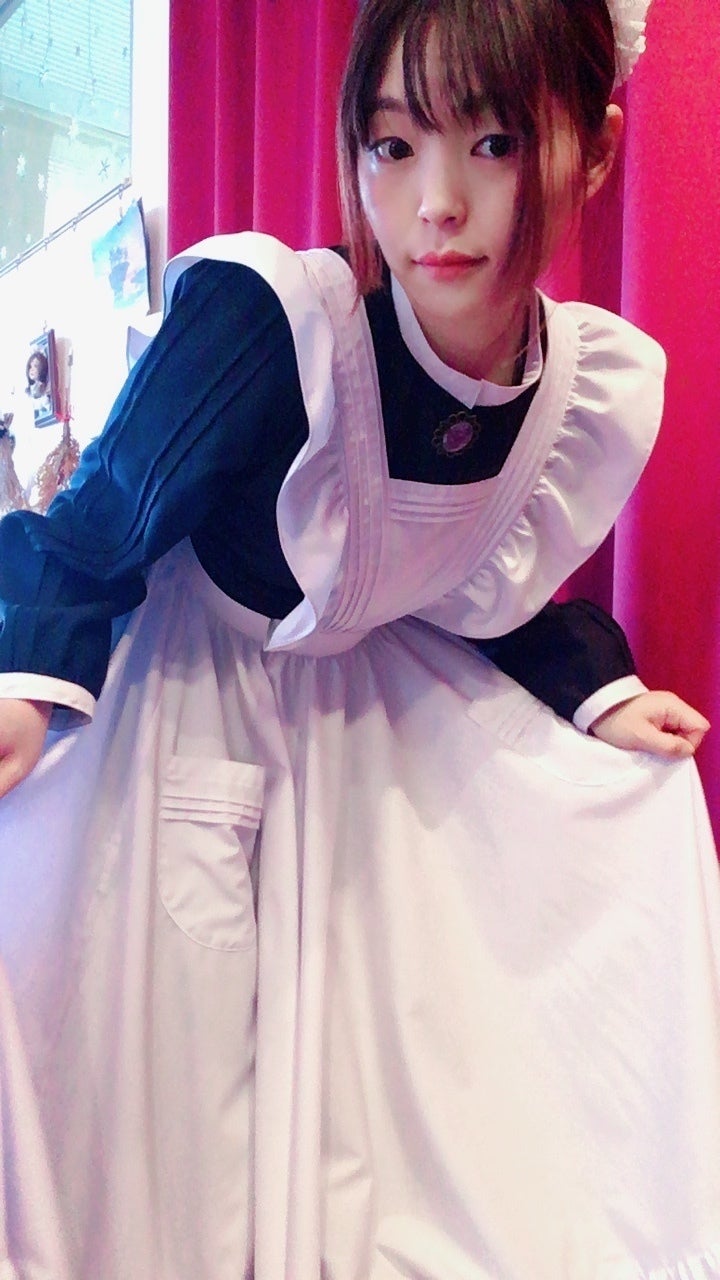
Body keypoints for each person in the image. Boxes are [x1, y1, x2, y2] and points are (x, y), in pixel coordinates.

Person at [0, 0, 718, 1277]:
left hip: (358, 735)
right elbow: (98, 522)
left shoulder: (572, 386)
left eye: (494, 143)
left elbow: (469, 589)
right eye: (393, 146)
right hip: (189, 712)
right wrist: (27, 685)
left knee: (399, 1125)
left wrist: (594, 691)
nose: (435, 202)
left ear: (596, 148)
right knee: (175, 1137)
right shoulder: (275, 322)